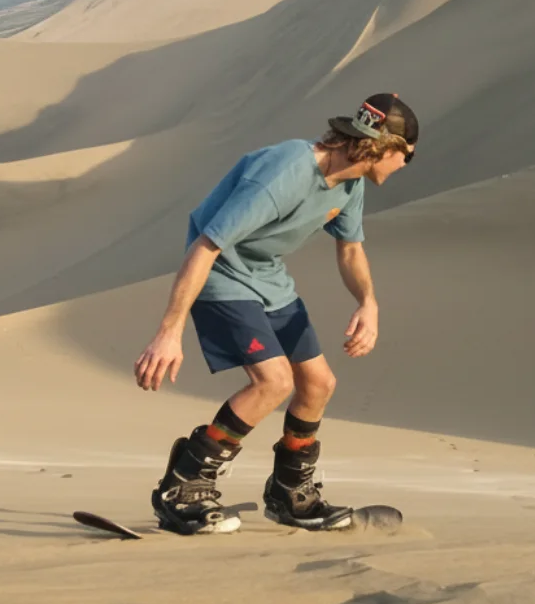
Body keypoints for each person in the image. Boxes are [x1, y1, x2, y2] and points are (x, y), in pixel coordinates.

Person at [132, 93, 418, 534]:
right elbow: (207, 245)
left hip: (268, 279)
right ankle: (184, 485)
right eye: (408, 156)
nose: (405, 165)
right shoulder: (284, 174)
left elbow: (351, 248)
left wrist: (368, 302)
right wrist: (169, 331)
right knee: (274, 381)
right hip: (222, 275)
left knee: (319, 384)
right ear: (386, 148)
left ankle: (289, 493)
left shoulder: (352, 181)